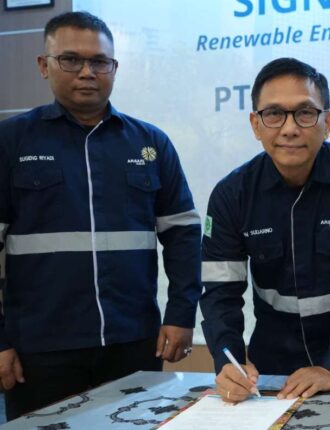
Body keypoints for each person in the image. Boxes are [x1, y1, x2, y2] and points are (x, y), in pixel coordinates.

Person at [0, 12, 201, 419]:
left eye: (99, 62)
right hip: (40, 348)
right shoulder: (11, 141)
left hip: (134, 341)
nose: (87, 72)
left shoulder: (150, 143)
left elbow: (183, 234)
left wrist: (181, 314)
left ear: (114, 67)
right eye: (71, 60)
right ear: (44, 65)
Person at [200, 57, 330, 403]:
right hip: (273, 364)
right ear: (255, 124)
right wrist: (229, 360)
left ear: (327, 122)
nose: (289, 128)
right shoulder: (232, 194)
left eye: (305, 113)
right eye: (274, 114)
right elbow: (220, 293)